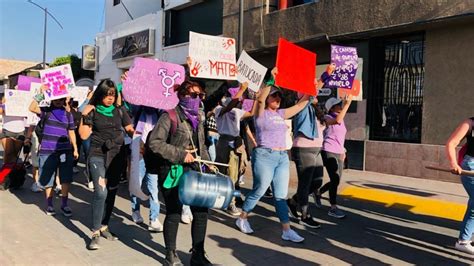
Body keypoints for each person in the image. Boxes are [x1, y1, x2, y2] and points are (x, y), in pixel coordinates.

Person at [235, 67, 310, 243]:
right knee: (260, 189)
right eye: (273, 96)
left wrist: (317, 84)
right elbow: (260, 100)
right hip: (264, 155)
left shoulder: (281, 113)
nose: (277, 98)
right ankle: (242, 218)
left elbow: (301, 104)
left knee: (280, 196)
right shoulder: (260, 114)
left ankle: (286, 230)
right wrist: (271, 80)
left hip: (282, 157)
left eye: (279, 96)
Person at [145, 80, 214, 265]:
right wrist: (181, 154)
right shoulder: (169, 116)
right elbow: (154, 143)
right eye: (193, 95)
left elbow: (201, 144)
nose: (197, 99)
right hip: (172, 170)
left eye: (200, 96)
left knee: (201, 212)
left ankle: (198, 253)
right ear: (182, 96)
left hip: (195, 171)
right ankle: (170, 253)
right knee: (174, 212)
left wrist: (208, 165)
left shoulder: (199, 116)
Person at [79, 79, 134, 250]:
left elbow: (130, 129)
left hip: (117, 155)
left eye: (113, 95)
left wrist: (142, 142)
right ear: (100, 95)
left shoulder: (120, 111)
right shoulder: (92, 110)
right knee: (101, 192)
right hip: (97, 154)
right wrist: (84, 114)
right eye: (106, 95)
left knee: (111, 193)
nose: (110, 98)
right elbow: (83, 135)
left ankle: (104, 225)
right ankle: (95, 233)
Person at [29, 92, 79, 216]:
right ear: (51, 99)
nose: (58, 101)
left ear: (64, 100)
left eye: (61, 98)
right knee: (48, 178)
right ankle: (50, 205)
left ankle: (64, 204)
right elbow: (31, 107)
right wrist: (41, 93)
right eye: (56, 98)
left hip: (65, 151)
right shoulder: (46, 111)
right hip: (47, 150)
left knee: (66, 178)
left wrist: (75, 148)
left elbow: (71, 131)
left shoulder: (68, 114)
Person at [215, 82, 254, 215]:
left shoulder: (237, 111)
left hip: (236, 145)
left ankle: (230, 200)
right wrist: (241, 90)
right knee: (224, 173)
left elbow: (251, 113)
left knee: (235, 174)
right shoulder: (219, 110)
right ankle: (228, 202)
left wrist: (258, 98)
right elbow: (230, 105)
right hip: (224, 143)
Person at [286, 95, 325, 228]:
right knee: (305, 183)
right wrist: (327, 74)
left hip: (317, 150)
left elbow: (335, 121)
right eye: (313, 93)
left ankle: (293, 201)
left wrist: (346, 104)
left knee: (317, 182)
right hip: (303, 149)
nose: (316, 96)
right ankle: (304, 215)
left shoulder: (317, 112)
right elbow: (308, 97)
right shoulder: (302, 108)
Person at [315, 94, 353, 219]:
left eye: (340, 104)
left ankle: (318, 192)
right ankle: (333, 208)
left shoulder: (341, 118)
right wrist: (347, 104)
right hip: (328, 150)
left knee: (336, 180)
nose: (340, 105)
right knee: (335, 179)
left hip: (339, 152)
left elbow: (341, 137)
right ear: (331, 108)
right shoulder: (327, 117)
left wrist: (344, 151)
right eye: (338, 104)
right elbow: (336, 121)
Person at [130, 106, 163, 233]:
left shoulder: (160, 114)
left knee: (153, 189)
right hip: (139, 154)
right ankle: (135, 210)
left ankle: (153, 219)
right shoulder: (137, 111)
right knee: (136, 184)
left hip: (153, 156)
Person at [446, 117, 474, 255]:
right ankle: (463, 241)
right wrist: (453, 164)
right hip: (470, 167)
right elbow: (452, 143)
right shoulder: (470, 123)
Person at [0, 96, 26, 165]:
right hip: (7, 131)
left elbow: (28, 113)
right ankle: (4, 174)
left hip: (20, 131)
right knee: (8, 153)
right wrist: (3, 104)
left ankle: (10, 174)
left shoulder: (22, 104)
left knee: (14, 156)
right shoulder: (4, 105)